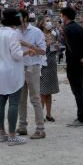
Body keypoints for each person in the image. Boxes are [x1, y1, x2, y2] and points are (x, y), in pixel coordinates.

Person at [0, 8, 28, 145]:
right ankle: (12, 135)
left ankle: (2, 133)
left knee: (0, 101)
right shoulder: (14, 34)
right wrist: (27, 52)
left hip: (0, 70)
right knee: (13, 103)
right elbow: (16, 55)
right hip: (12, 70)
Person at [60, 6, 83, 127]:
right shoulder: (80, 28)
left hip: (75, 66)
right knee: (81, 90)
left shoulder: (67, 29)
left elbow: (73, 49)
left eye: (62, 16)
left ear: (65, 16)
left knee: (78, 92)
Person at [16, 10, 47, 139]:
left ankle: (40, 129)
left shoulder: (36, 32)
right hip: (19, 67)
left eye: (18, 17)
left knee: (35, 98)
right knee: (20, 99)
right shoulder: (15, 32)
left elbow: (43, 51)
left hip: (33, 67)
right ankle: (22, 126)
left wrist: (28, 46)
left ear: (25, 18)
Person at [40, 16, 61, 121]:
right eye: (47, 21)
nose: (49, 22)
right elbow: (37, 49)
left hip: (52, 64)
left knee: (49, 91)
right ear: (42, 23)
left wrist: (58, 46)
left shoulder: (54, 34)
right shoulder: (39, 35)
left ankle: (48, 114)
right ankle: (40, 114)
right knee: (42, 92)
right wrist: (46, 44)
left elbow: (57, 48)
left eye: (50, 20)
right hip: (43, 65)